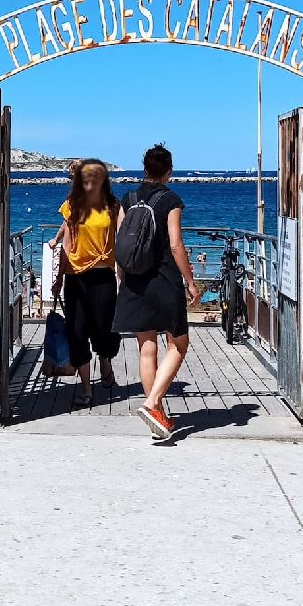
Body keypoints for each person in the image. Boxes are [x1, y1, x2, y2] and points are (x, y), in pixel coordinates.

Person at [113, 144, 201, 440]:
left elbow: (120, 240)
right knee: (178, 344)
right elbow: (175, 243)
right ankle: (152, 404)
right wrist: (190, 281)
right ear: (169, 171)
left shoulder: (128, 197)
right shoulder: (171, 199)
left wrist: (121, 275)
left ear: (144, 168)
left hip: (134, 280)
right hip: (164, 279)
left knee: (146, 347)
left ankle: (158, 414)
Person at [49, 158, 121, 406]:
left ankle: (105, 360)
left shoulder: (112, 204)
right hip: (75, 276)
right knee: (77, 331)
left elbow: (121, 240)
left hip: (104, 275)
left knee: (105, 328)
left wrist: (126, 274)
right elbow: (66, 245)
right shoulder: (71, 206)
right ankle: (86, 387)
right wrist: (58, 278)